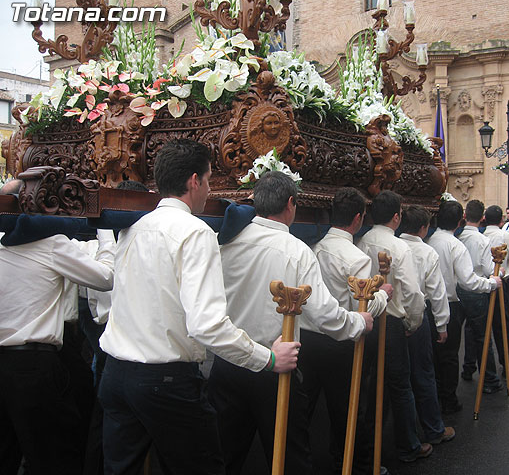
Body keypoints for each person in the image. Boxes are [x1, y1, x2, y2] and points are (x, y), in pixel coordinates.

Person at [98, 140, 300, 475]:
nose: (208, 189)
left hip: (116, 374)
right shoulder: (195, 232)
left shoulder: (133, 227)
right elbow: (207, 325)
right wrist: (267, 358)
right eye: (208, 180)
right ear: (194, 181)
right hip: (165, 381)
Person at [210, 171, 373, 474]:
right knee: (288, 457)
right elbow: (323, 314)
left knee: (224, 454)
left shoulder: (226, 243)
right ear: (290, 204)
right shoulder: (296, 250)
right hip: (273, 367)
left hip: (227, 362)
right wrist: (358, 322)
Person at [1, 181, 115, 475]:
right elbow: (106, 278)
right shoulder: (51, 242)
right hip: (34, 366)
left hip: (8, 362)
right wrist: (105, 232)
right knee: (54, 459)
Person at [302, 187, 391, 472]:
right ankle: (352, 462)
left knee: (305, 407)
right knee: (349, 408)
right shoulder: (357, 258)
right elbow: (362, 308)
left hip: (310, 338)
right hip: (342, 341)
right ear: (357, 218)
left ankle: (302, 459)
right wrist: (384, 295)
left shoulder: (314, 248)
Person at [356, 190, 432, 462]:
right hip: (391, 322)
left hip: (367, 320)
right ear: (397, 217)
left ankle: (370, 443)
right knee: (400, 386)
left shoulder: (363, 241)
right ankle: (408, 445)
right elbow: (412, 292)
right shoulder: (400, 247)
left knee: (371, 383)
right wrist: (413, 322)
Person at [427, 201, 502, 413]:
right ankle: (448, 400)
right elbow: (468, 281)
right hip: (449, 303)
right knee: (450, 355)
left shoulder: (432, 240)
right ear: (459, 220)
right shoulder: (454, 244)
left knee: (436, 354)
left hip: (432, 303)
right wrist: (491, 284)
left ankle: (438, 395)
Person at [397, 206, 456, 447]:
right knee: (423, 374)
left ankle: (404, 434)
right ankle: (433, 428)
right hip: (418, 316)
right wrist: (442, 324)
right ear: (424, 228)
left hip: (389, 316)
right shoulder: (426, 252)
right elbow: (437, 292)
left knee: (398, 378)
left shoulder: (391, 244)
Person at [456, 200, 503, 392]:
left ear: (465, 216)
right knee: (482, 336)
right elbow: (488, 268)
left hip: (460, 289)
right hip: (477, 290)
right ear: (482, 218)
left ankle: (468, 368)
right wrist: (497, 278)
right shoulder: (482, 241)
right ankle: (490, 378)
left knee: (468, 331)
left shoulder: (458, 238)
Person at [483, 205, 509, 377]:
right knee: (502, 326)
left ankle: (474, 366)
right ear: (501, 220)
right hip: (498, 284)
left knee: (478, 327)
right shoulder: (506, 236)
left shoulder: (479, 236)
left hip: (480, 283)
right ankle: (507, 362)